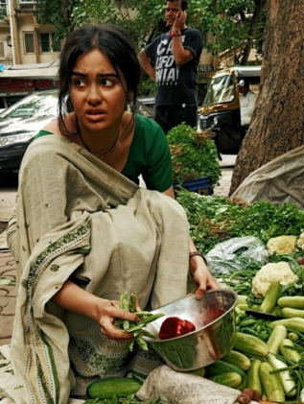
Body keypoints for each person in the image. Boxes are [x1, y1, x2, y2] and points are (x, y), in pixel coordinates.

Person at [0, 25, 218, 404]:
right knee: (112, 235)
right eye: (80, 83)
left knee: (148, 216)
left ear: (129, 88)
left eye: (107, 82)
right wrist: (99, 309)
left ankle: (150, 350)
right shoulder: (47, 156)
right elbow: (43, 268)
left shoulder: (148, 136)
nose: (93, 97)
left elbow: (169, 216)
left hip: (124, 270)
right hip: (73, 274)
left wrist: (196, 260)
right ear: (68, 90)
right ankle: (89, 364)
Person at [138, 0, 204, 134]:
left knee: (182, 149)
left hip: (183, 105)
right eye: (167, 10)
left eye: (174, 10)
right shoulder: (161, 39)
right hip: (162, 104)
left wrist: (177, 31)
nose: (169, 13)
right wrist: (154, 75)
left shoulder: (193, 35)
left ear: (184, 14)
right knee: (161, 147)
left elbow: (180, 59)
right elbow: (142, 55)